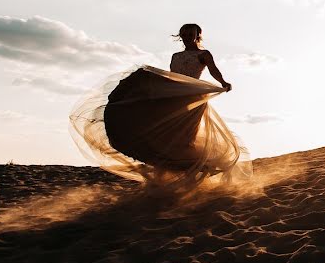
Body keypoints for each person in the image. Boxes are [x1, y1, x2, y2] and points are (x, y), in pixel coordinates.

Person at [69, 23, 246, 186]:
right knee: (164, 135)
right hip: (173, 97)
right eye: (183, 34)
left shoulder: (204, 54)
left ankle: (192, 175)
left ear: (198, 35)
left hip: (192, 98)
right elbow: (172, 76)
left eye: (190, 34)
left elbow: (213, 69)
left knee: (184, 138)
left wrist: (222, 82)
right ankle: (161, 177)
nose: (186, 37)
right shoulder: (176, 56)